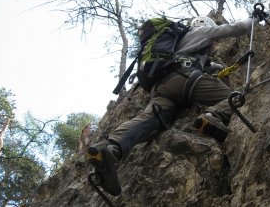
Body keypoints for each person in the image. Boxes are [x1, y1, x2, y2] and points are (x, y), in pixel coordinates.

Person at [86, 15, 257, 196]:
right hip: (186, 80)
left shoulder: (178, 43)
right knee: (236, 97)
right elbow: (236, 29)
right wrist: (254, 18)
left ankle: (110, 149)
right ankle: (212, 117)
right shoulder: (201, 30)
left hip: (162, 89)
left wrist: (216, 65)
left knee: (149, 120)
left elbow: (205, 64)